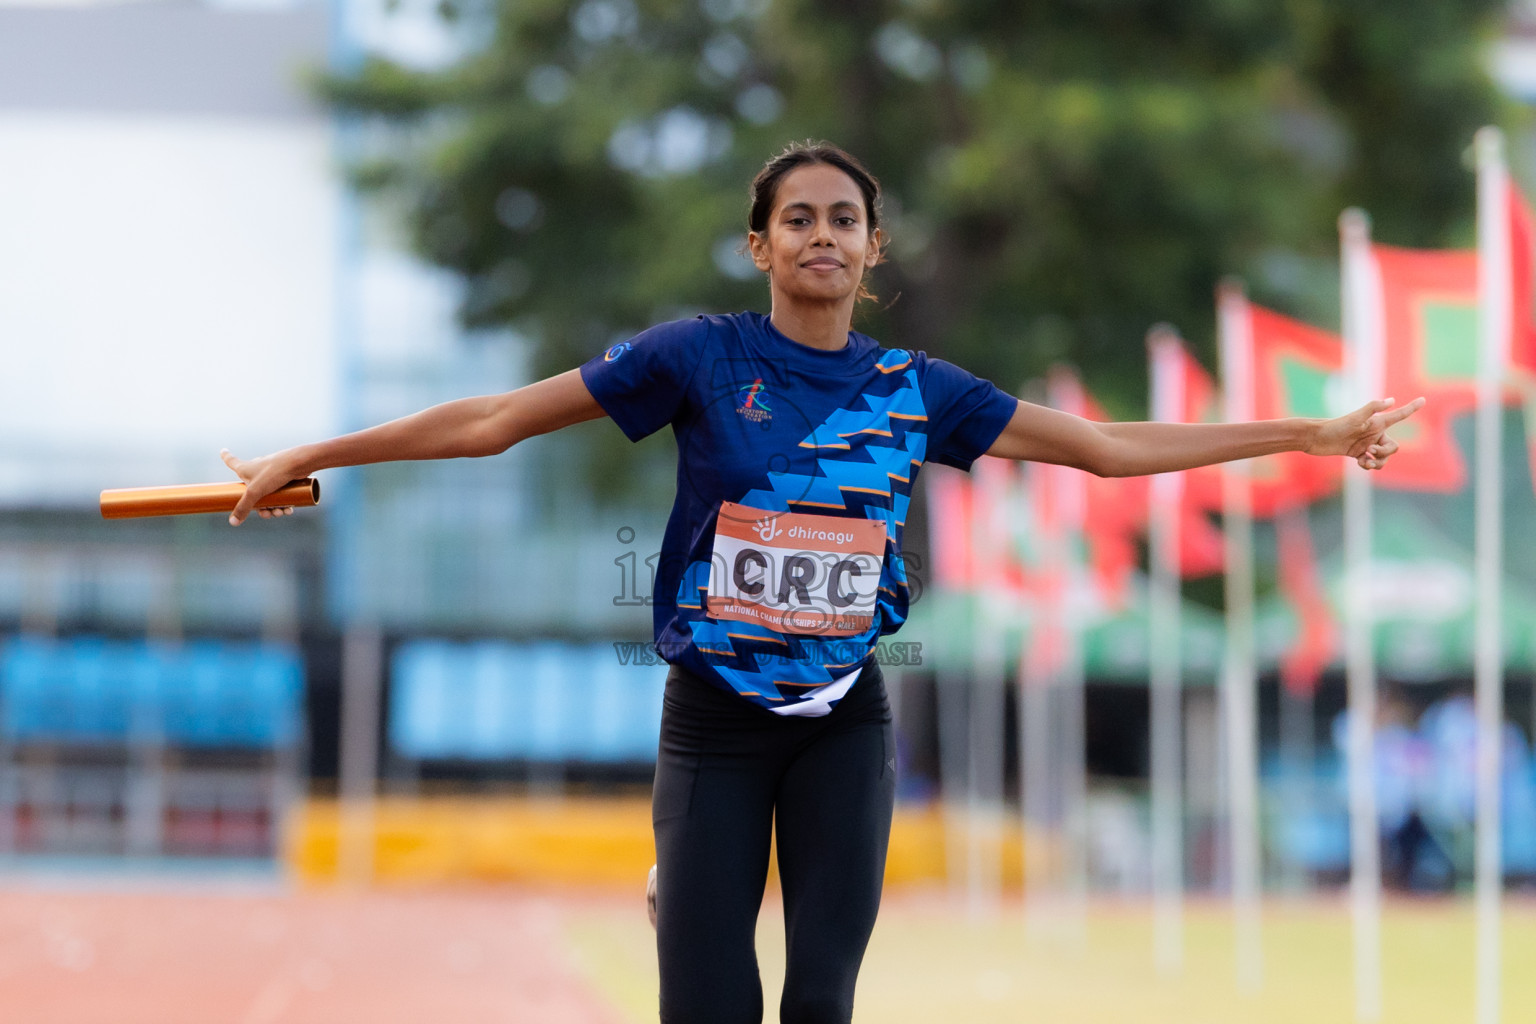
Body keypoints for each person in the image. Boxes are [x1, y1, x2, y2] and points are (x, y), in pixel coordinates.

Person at [222, 141, 1423, 1024]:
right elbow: (494, 419)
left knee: (820, 1006)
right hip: (713, 727)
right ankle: (683, 886)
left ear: (872, 246)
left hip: (844, 723)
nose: (821, 236)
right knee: (708, 1009)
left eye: (844, 219)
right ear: (761, 245)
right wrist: (316, 454)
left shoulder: (920, 389)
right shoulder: (697, 356)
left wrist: (1309, 436)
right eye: (796, 219)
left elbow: (1108, 450)